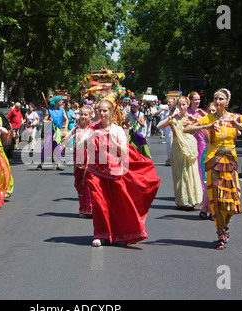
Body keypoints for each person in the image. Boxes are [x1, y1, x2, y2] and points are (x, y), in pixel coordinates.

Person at [184, 88, 242, 249]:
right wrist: (207, 127)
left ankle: (226, 225)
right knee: (216, 197)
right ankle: (219, 233)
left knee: (233, 196)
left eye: (221, 99)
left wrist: (239, 125)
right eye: (215, 99)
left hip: (230, 160)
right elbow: (187, 129)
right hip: (214, 160)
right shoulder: (209, 118)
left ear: (227, 102)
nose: (218, 102)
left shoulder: (235, 117)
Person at [78, 98, 160, 247]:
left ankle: (118, 233)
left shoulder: (117, 130)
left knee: (117, 205)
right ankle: (99, 234)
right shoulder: (91, 128)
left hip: (114, 172)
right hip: (94, 172)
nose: (101, 113)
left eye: (105, 110)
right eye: (99, 110)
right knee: (98, 203)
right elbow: (78, 146)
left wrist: (111, 140)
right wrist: (91, 137)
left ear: (110, 112)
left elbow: (123, 151)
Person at [157, 96, 203, 210]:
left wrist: (195, 120)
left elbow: (204, 126)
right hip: (178, 148)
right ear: (177, 106)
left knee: (191, 173)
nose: (182, 107)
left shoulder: (192, 118)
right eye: (179, 105)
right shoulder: (174, 119)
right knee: (180, 174)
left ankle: (191, 200)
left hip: (190, 147)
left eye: (184, 104)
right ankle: (181, 200)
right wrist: (171, 116)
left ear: (188, 104)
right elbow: (159, 126)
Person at [61, 105, 93, 218]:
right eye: (81, 114)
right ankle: (83, 209)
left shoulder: (93, 129)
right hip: (79, 160)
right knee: (80, 184)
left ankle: (91, 209)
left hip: (91, 160)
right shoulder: (76, 129)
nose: (83, 116)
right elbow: (65, 141)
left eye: (86, 114)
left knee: (90, 185)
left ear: (90, 116)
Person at [37, 96, 68, 171]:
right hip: (50, 131)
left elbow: (66, 119)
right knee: (46, 146)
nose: (61, 102)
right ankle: (40, 164)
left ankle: (58, 165)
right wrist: (49, 121)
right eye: (60, 101)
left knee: (59, 147)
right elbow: (44, 121)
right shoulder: (49, 110)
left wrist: (66, 127)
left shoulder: (62, 110)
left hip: (58, 130)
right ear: (56, 102)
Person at [188, 91, 206, 190]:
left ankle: (201, 188)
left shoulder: (202, 113)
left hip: (201, 142)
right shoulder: (187, 113)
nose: (197, 101)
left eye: (198, 99)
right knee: (191, 165)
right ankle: (192, 188)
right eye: (195, 99)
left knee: (201, 164)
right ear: (190, 101)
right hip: (190, 141)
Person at [157, 98, 175, 166]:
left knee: (173, 144)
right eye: (168, 102)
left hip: (173, 129)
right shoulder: (166, 111)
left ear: (174, 103)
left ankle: (173, 159)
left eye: (170, 102)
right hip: (167, 130)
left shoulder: (176, 111)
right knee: (169, 144)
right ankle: (169, 158)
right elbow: (156, 114)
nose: (168, 104)